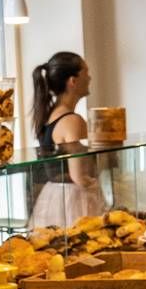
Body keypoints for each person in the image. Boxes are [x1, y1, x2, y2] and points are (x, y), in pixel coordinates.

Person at [27, 51, 106, 229]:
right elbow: (79, 176)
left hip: (53, 195)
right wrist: (99, 188)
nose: (90, 77)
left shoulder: (49, 115)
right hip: (73, 200)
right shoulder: (72, 121)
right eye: (86, 73)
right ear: (73, 81)